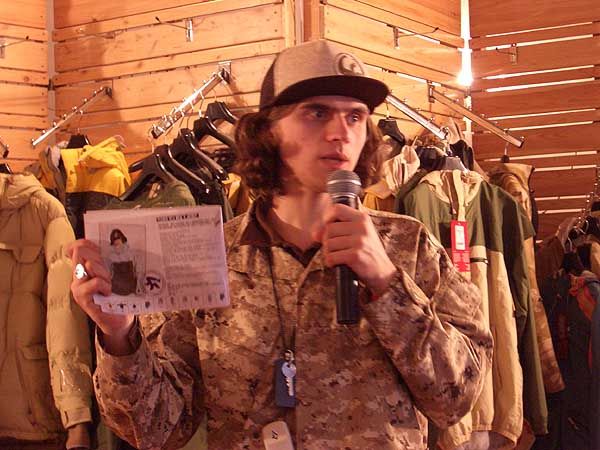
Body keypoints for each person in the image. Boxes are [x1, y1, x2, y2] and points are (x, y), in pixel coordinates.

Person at [68, 40, 493, 450]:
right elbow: (156, 429)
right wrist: (119, 337)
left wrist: (387, 284)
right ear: (268, 131)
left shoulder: (410, 246)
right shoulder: (211, 256)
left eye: (355, 116)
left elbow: (456, 401)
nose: (340, 133)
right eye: (316, 113)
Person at [106, 228, 137, 296]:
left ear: (123, 239)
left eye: (118, 238)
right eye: (114, 239)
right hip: (115, 291)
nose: (116, 240)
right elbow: (108, 274)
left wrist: (136, 288)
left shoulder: (131, 254)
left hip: (130, 292)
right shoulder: (111, 257)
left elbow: (136, 272)